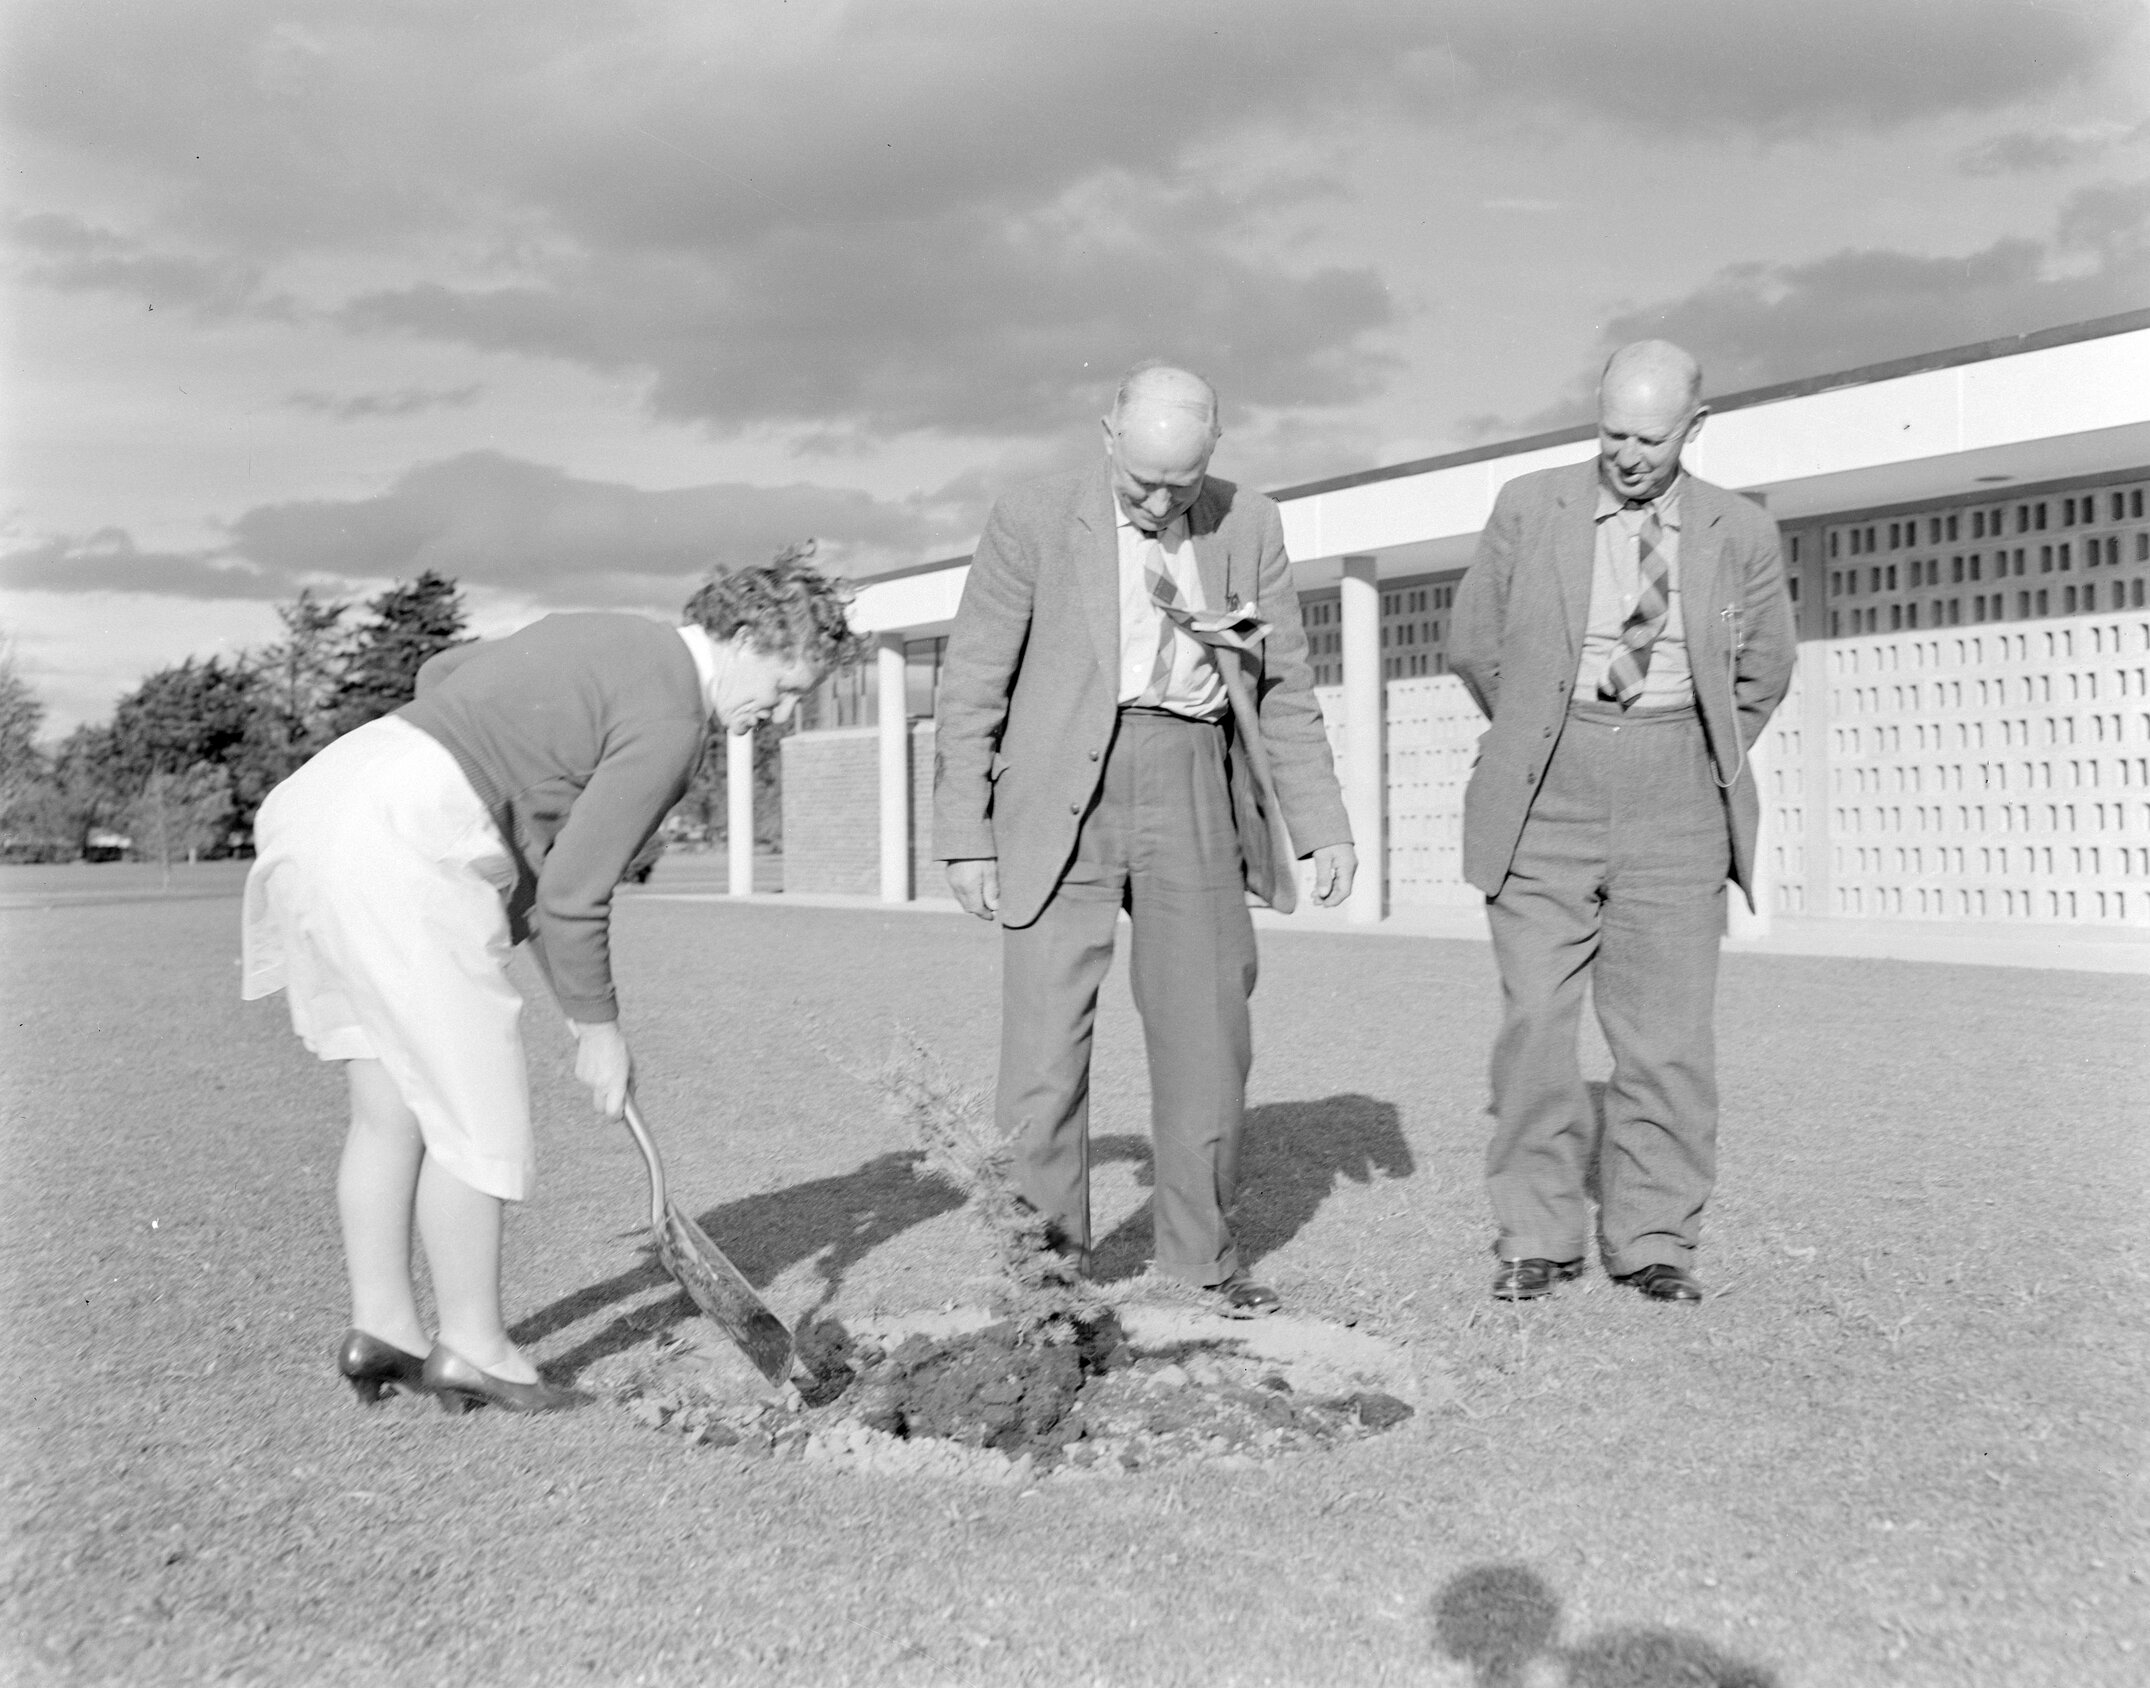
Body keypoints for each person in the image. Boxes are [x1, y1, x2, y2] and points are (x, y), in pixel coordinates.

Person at [242, 554, 850, 1411]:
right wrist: (599, 1030)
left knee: (389, 1108)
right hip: (402, 842)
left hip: (324, 800)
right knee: (472, 1109)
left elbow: (444, 674)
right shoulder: (674, 715)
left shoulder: (610, 634)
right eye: (786, 690)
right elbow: (573, 892)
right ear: (749, 637)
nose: (778, 718)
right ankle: (475, 1349)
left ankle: (384, 1327)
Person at [933, 362, 1355, 1314]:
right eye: (1144, 480)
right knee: (1042, 1055)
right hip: (1056, 797)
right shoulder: (1033, 516)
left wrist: (1321, 823)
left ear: (1216, 447)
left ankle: (1199, 1260)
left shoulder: (1250, 523)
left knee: (1208, 1033)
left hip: (1192, 780)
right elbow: (971, 683)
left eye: (1184, 480)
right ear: (1108, 434)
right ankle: (1043, 1280)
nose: (1164, 500)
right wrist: (966, 836)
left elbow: (1283, 684)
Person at [1449, 340, 1796, 1304]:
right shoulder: (1530, 505)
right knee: (1536, 1026)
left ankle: (1654, 1238)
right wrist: (1541, 732)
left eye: (1650, 436)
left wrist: (1674, 742)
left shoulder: (1742, 529)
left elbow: (1763, 672)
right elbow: (1476, 645)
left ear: (1696, 426)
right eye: (1611, 432)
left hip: (1677, 786)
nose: (1628, 454)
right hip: (1545, 787)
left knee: (1667, 1038)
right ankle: (1537, 1232)